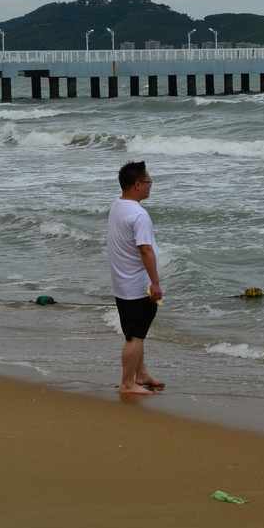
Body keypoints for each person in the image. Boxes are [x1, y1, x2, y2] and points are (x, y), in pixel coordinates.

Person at [107, 161, 164, 395]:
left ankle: (140, 375)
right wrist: (155, 283)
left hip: (122, 283)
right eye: (149, 182)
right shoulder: (139, 215)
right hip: (137, 287)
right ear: (138, 184)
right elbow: (145, 250)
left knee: (135, 333)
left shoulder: (118, 205)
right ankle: (127, 384)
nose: (151, 186)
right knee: (135, 336)